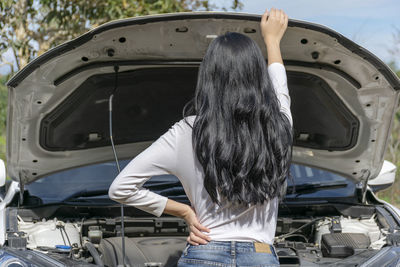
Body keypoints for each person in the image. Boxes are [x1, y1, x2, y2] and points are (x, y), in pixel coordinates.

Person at [108, 7, 293, 267]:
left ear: (208, 77)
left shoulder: (187, 131)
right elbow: (280, 88)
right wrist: (272, 41)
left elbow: (120, 188)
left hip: (204, 252)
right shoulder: (279, 126)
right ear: (257, 77)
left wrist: (184, 211)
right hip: (260, 256)